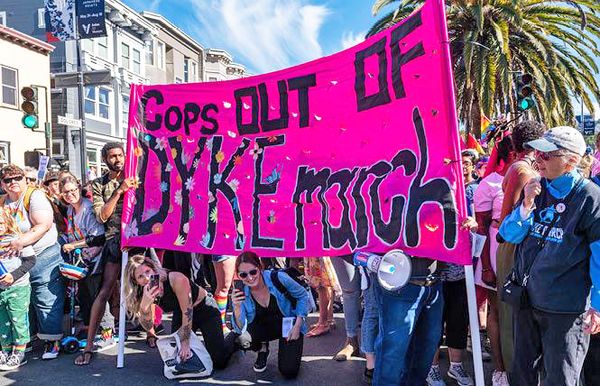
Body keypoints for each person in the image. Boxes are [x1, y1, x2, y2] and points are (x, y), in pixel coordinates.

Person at [499, 126, 600, 386]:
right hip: (527, 300)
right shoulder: (536, 187)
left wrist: (598, 306)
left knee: (561, 378)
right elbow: (509, 234)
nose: (538, 159)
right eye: (537, 153)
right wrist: (526, 206)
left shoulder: (590, 197)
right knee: (521, 375)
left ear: (571, 162)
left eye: (546, 155)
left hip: (565, 309)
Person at [373, 219, 477, 386]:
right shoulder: (389, 193)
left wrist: (466, 226)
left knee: (425, 353)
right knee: (392, 354)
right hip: (399, 283)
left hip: (433, 281)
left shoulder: (444, 193)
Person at [75, 142, 136, 365]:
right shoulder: (99, 184)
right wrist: (119, 191)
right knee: (106, 288)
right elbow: (102, 216)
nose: (117, 159)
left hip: (138, 236)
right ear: (105, 159)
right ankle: (89, 346)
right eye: (112, 156)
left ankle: (151, 333)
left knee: (147, 284)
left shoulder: (135, 175)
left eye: (120, 155)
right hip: (114, 239)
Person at [124, 254, 235, 370]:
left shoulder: (176, 278)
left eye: (147, 271)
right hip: (180, 312)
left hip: (205, 309)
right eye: (140, 276)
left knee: (219, 362)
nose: (147, 278)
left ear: (153, 268)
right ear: (136, 281)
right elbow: (148, 326)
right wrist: (144, 307)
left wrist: (185, 342)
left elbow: (187, 311)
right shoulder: (143, 291)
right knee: (180, 357)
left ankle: (233, 339)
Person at [426, 150, 480, 386]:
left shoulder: (473, 191)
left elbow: (481, 222)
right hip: (435, 271)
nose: (462, 168)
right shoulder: (432, 189)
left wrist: (474, 223)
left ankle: (456, 367)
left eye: (467, 164)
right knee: (434, 322)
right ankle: (432, 368)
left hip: (460, 270)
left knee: (458, 319)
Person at [0, 165, 65, 360]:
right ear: (2, 183)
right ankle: (25, 341)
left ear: (24, 179)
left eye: (17, 178)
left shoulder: (34, 196)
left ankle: (52, 341)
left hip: (42, 253)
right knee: (20, 302)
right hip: (15, 259)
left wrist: (20, 241)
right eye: (8, 180)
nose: (13, 183)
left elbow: (43, 225)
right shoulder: (3, 201)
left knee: (45, 297)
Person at [495, 120, 545, 372]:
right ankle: (510, 371)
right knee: (511, 314)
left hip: (512, 242)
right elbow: (510, 216)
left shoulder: (520, 167)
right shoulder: (523, 171)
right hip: (514, 243)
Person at [474, 136, 514, 386]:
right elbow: (481, 227)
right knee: (497, 311)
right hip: (495, 249)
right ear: (511, 154)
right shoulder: (489, 184)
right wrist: (487, 266)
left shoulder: (535, 176)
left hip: (522, 251)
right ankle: (500, 368)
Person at [231, 251, 308, 378]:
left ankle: (288, 349)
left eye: (253, 272)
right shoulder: (240, 292)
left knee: (289, 371)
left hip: (287, 326)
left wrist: (298, 325)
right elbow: (239, 328)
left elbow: (302, 295)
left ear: (260, 267)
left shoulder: (278, 278)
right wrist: (237, 307)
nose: (249, 278)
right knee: (240, 339)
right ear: (239, 276)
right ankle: (262, 347)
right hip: (261, 328)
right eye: (243, 275)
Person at [59, 176, 112, 349]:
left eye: (73, 190)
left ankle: (107, 334)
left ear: (79, 188)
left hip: (95, 258)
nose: (70, 194)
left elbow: (98, 237)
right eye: (66, 192)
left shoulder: (87, 208)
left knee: (98, 296)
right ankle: (92, 331)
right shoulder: (70, 209)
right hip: (82, 260)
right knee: (85, 296)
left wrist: (73, 245)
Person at [0, 208, 36, 370]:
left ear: (7, 221)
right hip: (1, 290)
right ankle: (6, 350)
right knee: (3, 321)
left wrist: (13, 276)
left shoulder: (17, 239)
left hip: (18, 287)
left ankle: (19, 352)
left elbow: (30, 260)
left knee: (18, 319)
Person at [330, 254, 362, 361]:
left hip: (373, 241)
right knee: (349, 291)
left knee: (375, 292)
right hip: (342, 243)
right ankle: (351, 341)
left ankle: (374, 345)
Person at [304, 256, 337, 337]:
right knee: (326, 281)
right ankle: (328, 318)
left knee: (321, 283)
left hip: (317, 248)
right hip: (320, 248)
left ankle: (323, 323)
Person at [211, 255, 236, 332]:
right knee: (223, 287)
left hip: (247, 245)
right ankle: (220, 326)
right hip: (225, 247)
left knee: (242, 286)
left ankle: (239, 325)